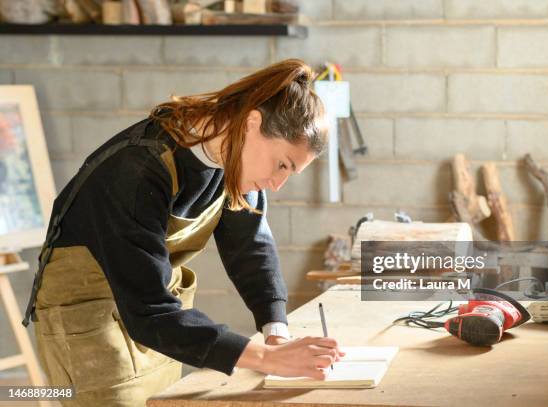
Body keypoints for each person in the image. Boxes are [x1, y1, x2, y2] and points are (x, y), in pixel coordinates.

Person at [22, 59, 343, 406]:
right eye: (282, 164)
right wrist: (265, 359)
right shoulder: (137, 171)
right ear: (253, 122)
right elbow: (149, 311)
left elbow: (250, 249)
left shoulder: (236, 158)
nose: (277, 184)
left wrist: (275, 332)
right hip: (89, 324)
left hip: (156, 324)